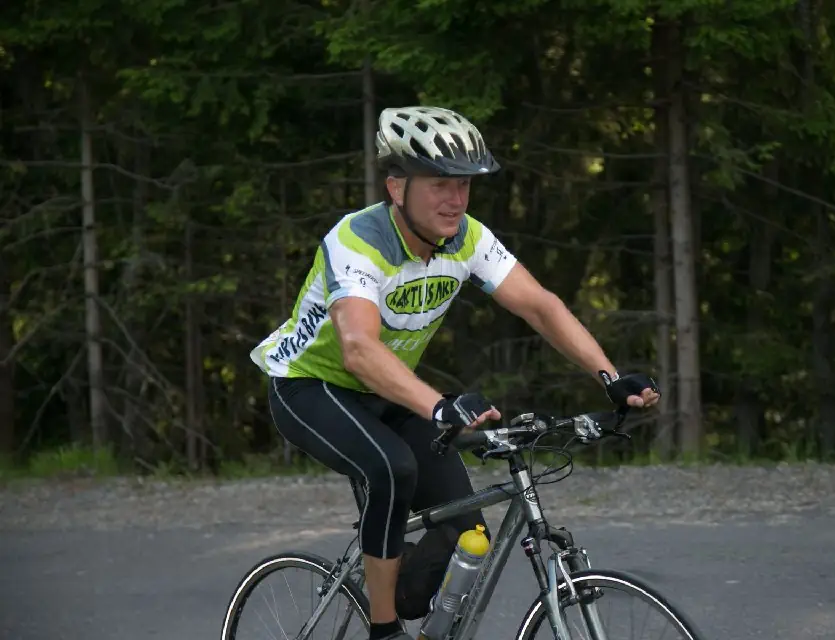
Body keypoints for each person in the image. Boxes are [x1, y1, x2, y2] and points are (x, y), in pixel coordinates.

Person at [250, 105, 660, 640]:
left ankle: (398, 592)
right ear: (397, 187)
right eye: (440, 184)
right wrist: (441, 407)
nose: (456, 199)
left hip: (390, 391)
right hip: (311, 387)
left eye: (464, 184)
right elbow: (358, 349)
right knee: (392, 469)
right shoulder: (357, 241)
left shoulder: (466, 238)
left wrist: (609, 377)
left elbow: (540, 306)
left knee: (466, 531)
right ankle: (383, 630)